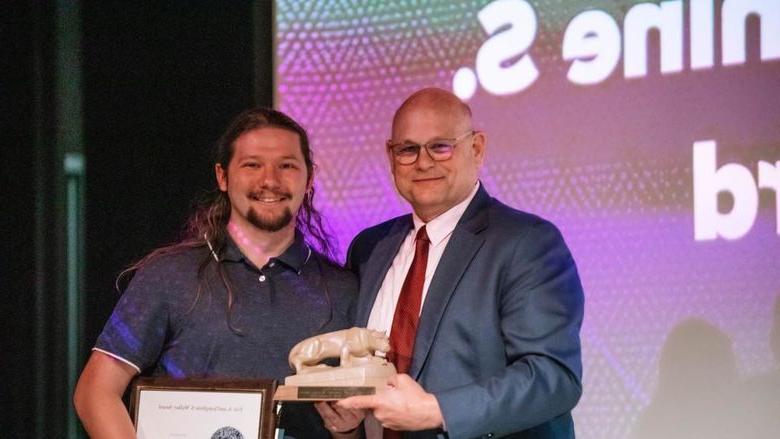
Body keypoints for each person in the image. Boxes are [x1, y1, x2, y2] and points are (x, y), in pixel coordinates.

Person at [73, 108, 358, 438]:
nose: (270, 180)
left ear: (309, 178)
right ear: (222, 177)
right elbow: (95, 393)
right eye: (252, 165)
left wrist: (348, 431)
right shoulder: (168, 275)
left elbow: (360, 422)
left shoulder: (343, 289)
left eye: (287, 165)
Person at [329, 88, 585, 438]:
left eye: (440, 146)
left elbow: (552, 377)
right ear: (391, 156)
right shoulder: (370, 247)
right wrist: (347, 427)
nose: (423, 162)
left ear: (476, 148)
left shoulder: (527, 242)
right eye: (408, 149)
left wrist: (436, 411)